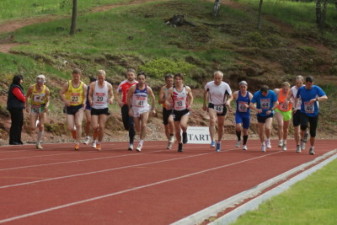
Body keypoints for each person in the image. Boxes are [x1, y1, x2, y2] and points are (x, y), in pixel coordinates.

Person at [295, 76, 328, 155]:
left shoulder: (316, 88)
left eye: (311, 84)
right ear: (305, 83)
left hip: (314, 113)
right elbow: (296, 98)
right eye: (308, 84)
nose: (310, 86)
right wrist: (295, 107)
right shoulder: (301, 89)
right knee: (303, 126)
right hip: (304, 112)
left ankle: (312, 147)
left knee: (313, 132)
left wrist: (316, 99)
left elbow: (325, 97)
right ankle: (302, 140)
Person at [203, 71, 232, 152]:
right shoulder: (209, 84)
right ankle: (212, 140)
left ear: (222, 79)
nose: (217, 80)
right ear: (213, 77)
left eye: (219, 78)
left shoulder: (225, 85)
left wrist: (228, 101)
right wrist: (204, 104)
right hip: (212, 104)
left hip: (222, 105)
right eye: (215, 78)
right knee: (212, 120)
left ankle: (219, 142)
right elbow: (205, 93)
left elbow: (231, 96)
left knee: (220, 125)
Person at [127, 72, 156, 152]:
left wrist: (153, 109)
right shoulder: (133, 88)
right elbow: (128, 98)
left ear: (145, 80)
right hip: (135, 109)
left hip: (144, 108)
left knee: (143, 125)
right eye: (139, 79)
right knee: (137, 128)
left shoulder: (148, 88)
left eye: (143, 79)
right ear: (137, 79)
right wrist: (130, 109)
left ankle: (141, 143)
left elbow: (153, 98)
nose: (141, 80)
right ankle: (140, 136)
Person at [60, 68, 87, 151]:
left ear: (80, 76)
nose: (76, 78)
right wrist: (65, 100)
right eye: (74, 76)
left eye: (77, 77)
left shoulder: (83, 86)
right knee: (70, 127)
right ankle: (74, 132)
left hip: (79, 106)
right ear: (72, 76)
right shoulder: (67, 84)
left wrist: (85, 102)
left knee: (78, 124)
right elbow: (61, 93)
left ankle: (77, 143)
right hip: (69, 106)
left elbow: (86, 96)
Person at [166, 73, 193, 152]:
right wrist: (169, 104)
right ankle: (180, 144)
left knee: (183, 124)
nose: (177, 81)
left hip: (184, 110)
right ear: (174, 80)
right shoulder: (172, 89)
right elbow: (167, 100)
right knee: (177, 130)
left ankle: (184, 132)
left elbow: (191, 97)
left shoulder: (187, 88)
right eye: (176, 79)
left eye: (179, 79)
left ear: (182, 80)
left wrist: (190, 105)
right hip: (175, 111)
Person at [88, 70, 114, 151]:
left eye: (102, 78)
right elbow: (89, 95)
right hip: (95, 107)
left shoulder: (108, 85)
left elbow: (112, 95)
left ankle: (99, 143)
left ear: (105, 78)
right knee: (95, 127)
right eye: (99, 78)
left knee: (102, 127)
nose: (101, 80)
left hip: (104, 107)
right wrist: (91, 100)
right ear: (97, 78)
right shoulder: (93, 85)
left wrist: (111, 99)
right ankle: (94, 140)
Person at [250, 85, 278, 152]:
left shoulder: (272, 93)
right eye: (264, 93)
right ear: (261, 92)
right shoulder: (257, 94)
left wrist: (271, 109)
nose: (265, 94)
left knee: (268, 128)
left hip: (269, 113)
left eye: (266, 93)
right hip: (260, 114)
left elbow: (276, 103)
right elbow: (251, 104)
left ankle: (268, 140)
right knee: (261, 130)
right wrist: (257, 109)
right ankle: (263, 144)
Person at [25, 75, 50, 149]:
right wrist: (27, 106)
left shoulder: (46, 89)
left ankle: (38, 143)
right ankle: (36, 121)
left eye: (41, 80)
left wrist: (46, 106)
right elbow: (27, 96)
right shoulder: (32, 87)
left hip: (42, 107)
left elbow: (48, 100)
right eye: (38, 80)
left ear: (44, 82)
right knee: (32, 127)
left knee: (41, 126)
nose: (40, 82)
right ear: (36, 81)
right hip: (34, 107)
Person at [116, 68, 138, 151]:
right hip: (125, 105)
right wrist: (119, 101)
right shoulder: (123, 83)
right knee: (126, 125)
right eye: (128, 75)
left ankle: (131, 143)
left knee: (131, 124)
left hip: (134, 106)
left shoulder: (137, 84)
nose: (130, 76)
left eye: (131, 75)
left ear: (134, 76)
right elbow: (117, 93)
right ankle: (131, 131)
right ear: (126, 75)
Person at [288, 75, 307, 153]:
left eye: (300, 83)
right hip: (295, 110)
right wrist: (288, 102)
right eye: (297, 83)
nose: (298, 84)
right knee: (296, 130)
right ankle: (298, 145)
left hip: (304, 110)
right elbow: (288, 97)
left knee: (304, 127)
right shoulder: (292, 89)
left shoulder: (306, 88)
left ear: (303, 82)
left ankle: (303, 140)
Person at [232, 81, 253, 151]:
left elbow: (254, 105)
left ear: (247, 87)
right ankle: (238, 139)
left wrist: (249, 106)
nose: (243, 88)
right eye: (241, 87)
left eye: (244, 87)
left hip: (246, 114)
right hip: (239, 114)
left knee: (245, 130)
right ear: (239, 87)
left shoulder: (249, 95)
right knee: (238, 126)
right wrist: (228, 101)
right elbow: (231, 98)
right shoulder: (236, 93)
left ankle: (244, 145)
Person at [7, 75, 26, 145]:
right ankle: (13, 140)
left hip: (18, 107)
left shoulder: (16, 87)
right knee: (16, 123)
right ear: (18, 80)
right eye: (21, 80)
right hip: (15, 108)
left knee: (20, 123)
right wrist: (26, 98)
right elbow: (21, 97)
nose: (22, 81)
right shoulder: (15, 87)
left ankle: (18, 139)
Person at [274, 82, 292, 151]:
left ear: (289, 88)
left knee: (286, 128)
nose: (285, 90)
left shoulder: (291, 92)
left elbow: (296, 99)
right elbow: (272, 95)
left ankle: (285, 142)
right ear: (282, 88)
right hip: (279, 110)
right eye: (284, 89)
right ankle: (280, 140)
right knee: (280, 124)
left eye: (287, 89)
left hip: (288, 111)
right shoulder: (278, 92)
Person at [158, 74, 175, 149]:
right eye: (168, 81)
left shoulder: (175, 88)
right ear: (165, 81)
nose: (170, 82)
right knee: (166, 126)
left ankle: (172, 135)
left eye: (171, 80)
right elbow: (159, 101)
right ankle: (170, 140)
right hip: (165, 108)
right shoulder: (163, 88)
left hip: (174, 108)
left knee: (170, 121)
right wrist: (165, 100)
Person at [83, 77, 97, 146]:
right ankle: (87, 137)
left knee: (95, 125)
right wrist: (84, 103)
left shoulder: (99, 88)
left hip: (97, 107)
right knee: (89, 121)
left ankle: (94, 140)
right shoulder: (87, 88)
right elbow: (84, 96)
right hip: (88, 106)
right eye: (91, 83)